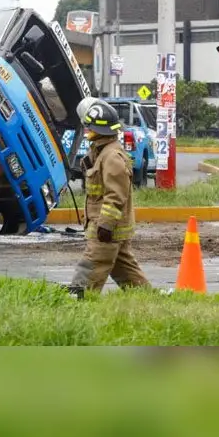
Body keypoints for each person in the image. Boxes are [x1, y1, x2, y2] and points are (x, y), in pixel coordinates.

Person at [66, 97, 151, 297]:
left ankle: (79, 299)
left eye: (89, 127)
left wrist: (106, 225)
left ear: (99, 129)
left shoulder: (111, 157)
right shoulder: (101, 151)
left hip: (107, 228)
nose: (86, 130)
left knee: (92, 264)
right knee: (126, 271)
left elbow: (115, 195)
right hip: (109, 227)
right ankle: (147, 299)